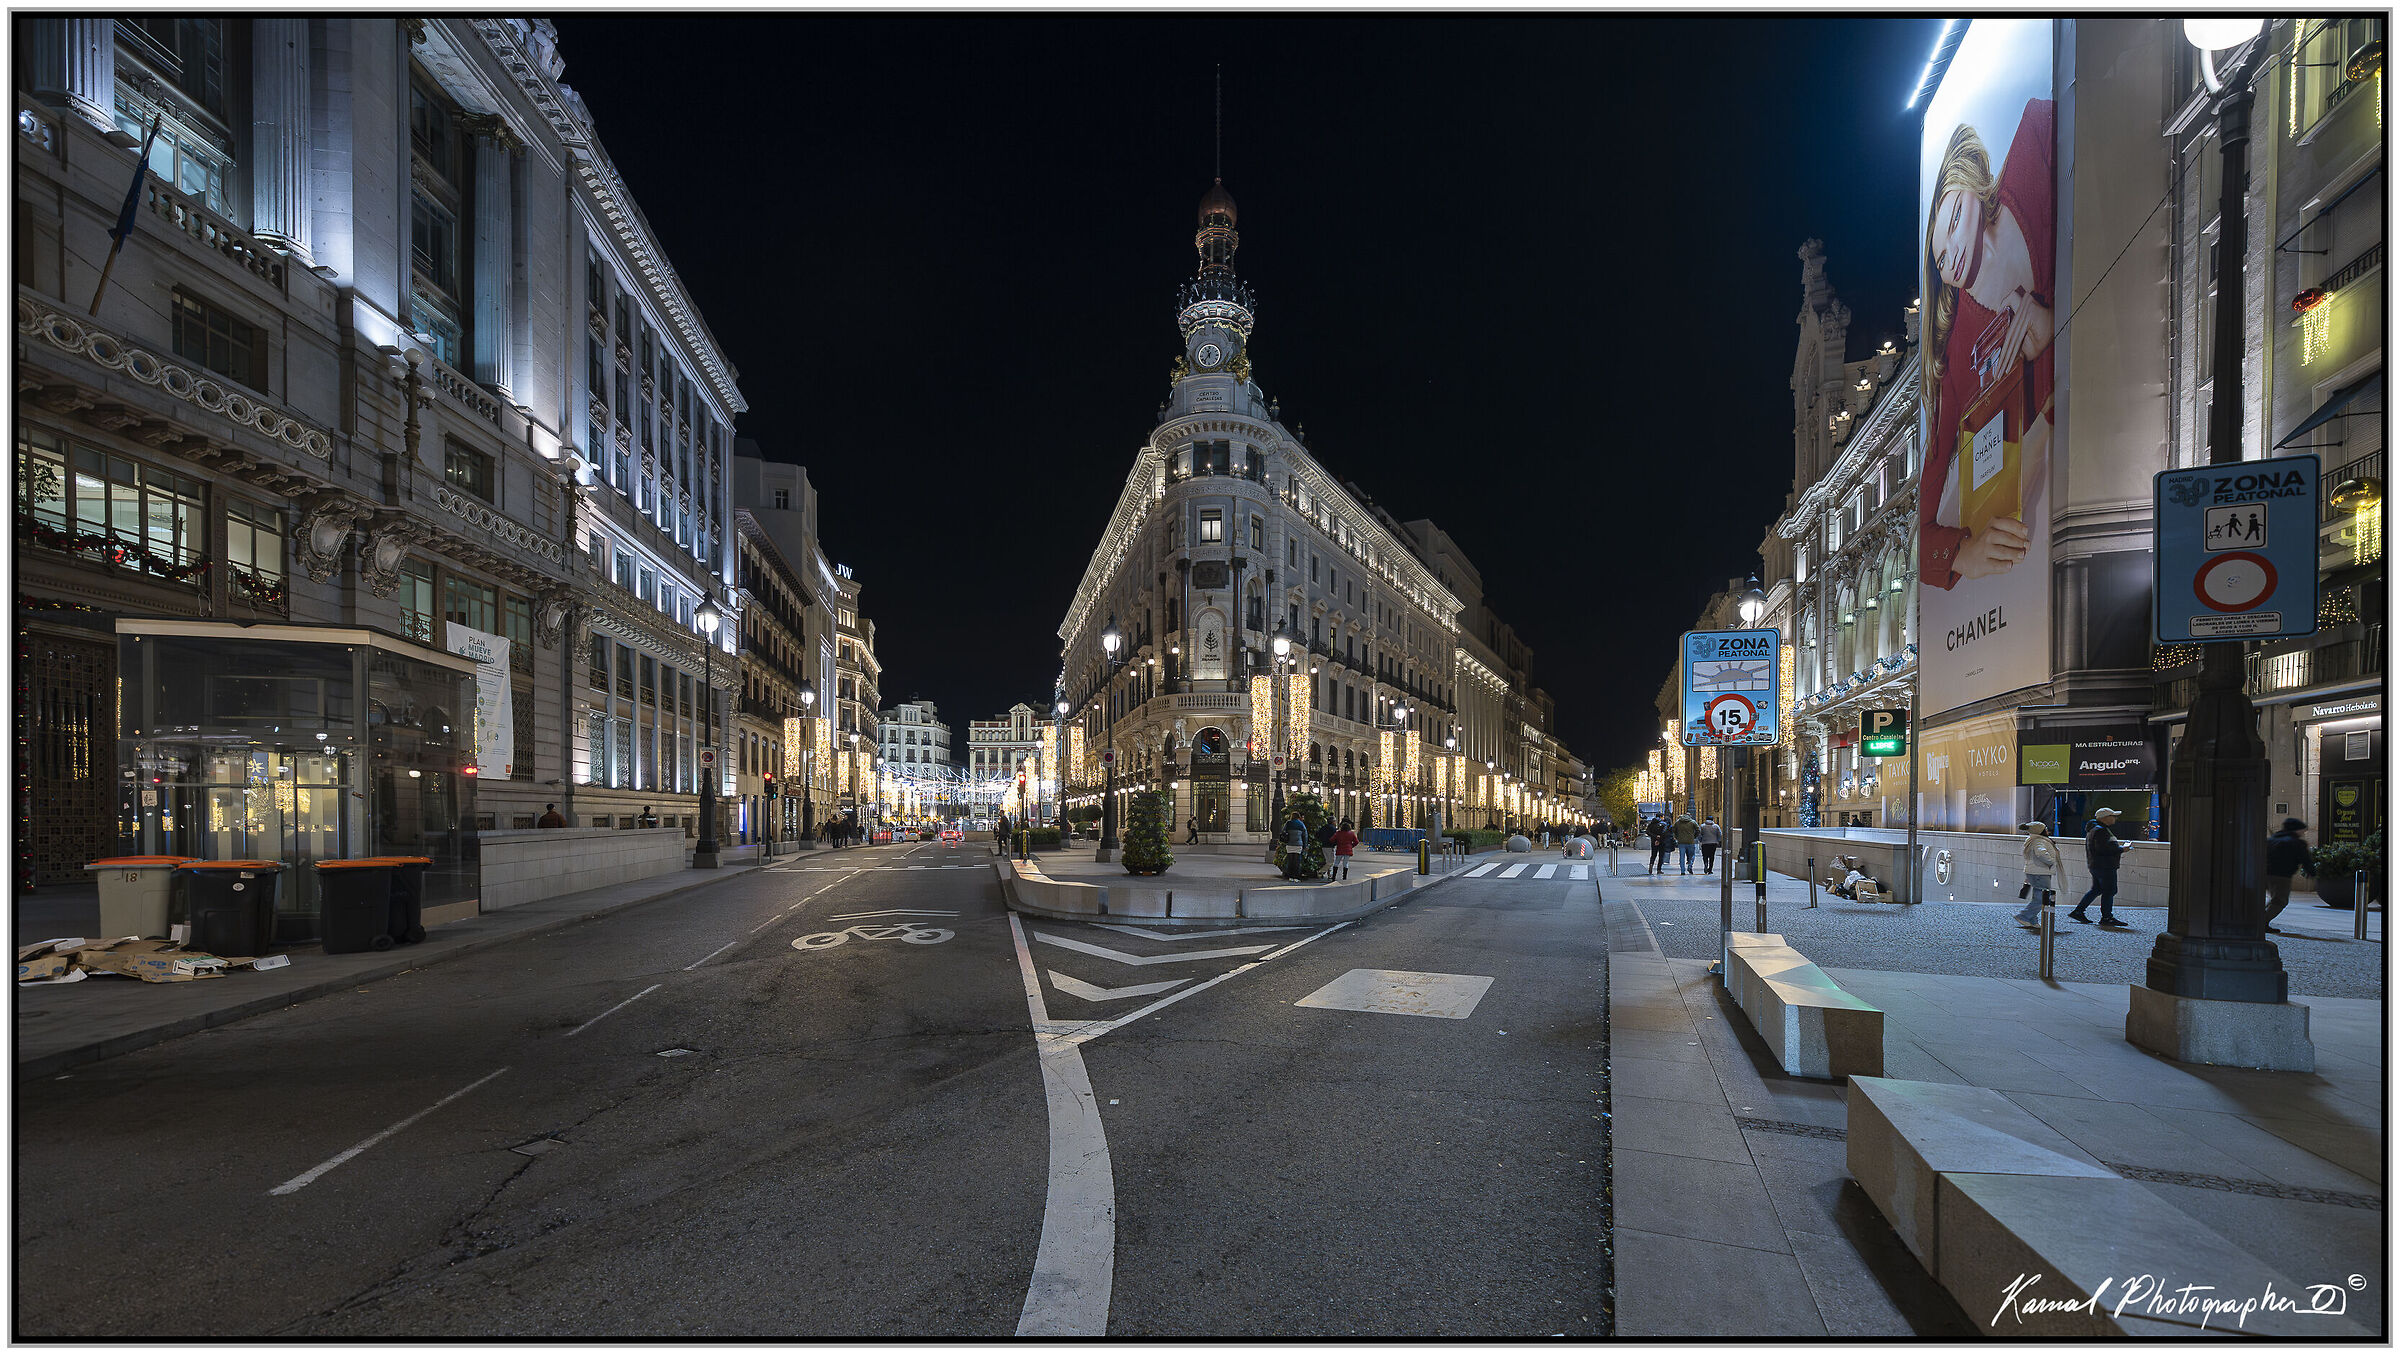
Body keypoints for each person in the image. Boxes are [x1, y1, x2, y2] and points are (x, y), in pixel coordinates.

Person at [1921, 97, 2057, 593]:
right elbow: (1922, 522)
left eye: (1953, 216)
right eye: (1938, 256)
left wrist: (2056, 327)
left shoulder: (2037, 137)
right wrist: (1962, 553)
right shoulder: (1957, 355)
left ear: (1976, 184)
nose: (1952, 251)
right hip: (2028, 564)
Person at [2067, 807, 2125, 925]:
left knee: (2096, 889)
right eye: (2113, 816)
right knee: (2109, 891)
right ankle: (2106, 917)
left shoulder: (2094, 829)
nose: (2115, 818)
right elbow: (2103, 849)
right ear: (2105, 818)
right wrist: (2122, 849)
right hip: (2105, 866)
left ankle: (2078, 911)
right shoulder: (2101, 831)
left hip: (2096, 865)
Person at [2264, 818, 2315, 934]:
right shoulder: (2297, 843)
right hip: (2281, 875)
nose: (2303, 833)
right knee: (2279, 901)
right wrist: (2312, 873)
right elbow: (2305, 860)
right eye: (2302, 830)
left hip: (2264, 873)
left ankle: (2259, 921)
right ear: (2296, 830)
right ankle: (2262, 922)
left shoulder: (2271, 840)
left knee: (2273, 900)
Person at [2012, 821, 2060, 927]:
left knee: (2037, 896)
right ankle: (2024, 916)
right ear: (2040, 831)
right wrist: (2051, 860)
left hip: (2036, 872)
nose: (2048, 830)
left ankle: (2032, 920)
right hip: (2040, 872)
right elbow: (2041, 852)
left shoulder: (2034, 840)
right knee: (2043, 898)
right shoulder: (2039, 841)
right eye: (2045, 828)